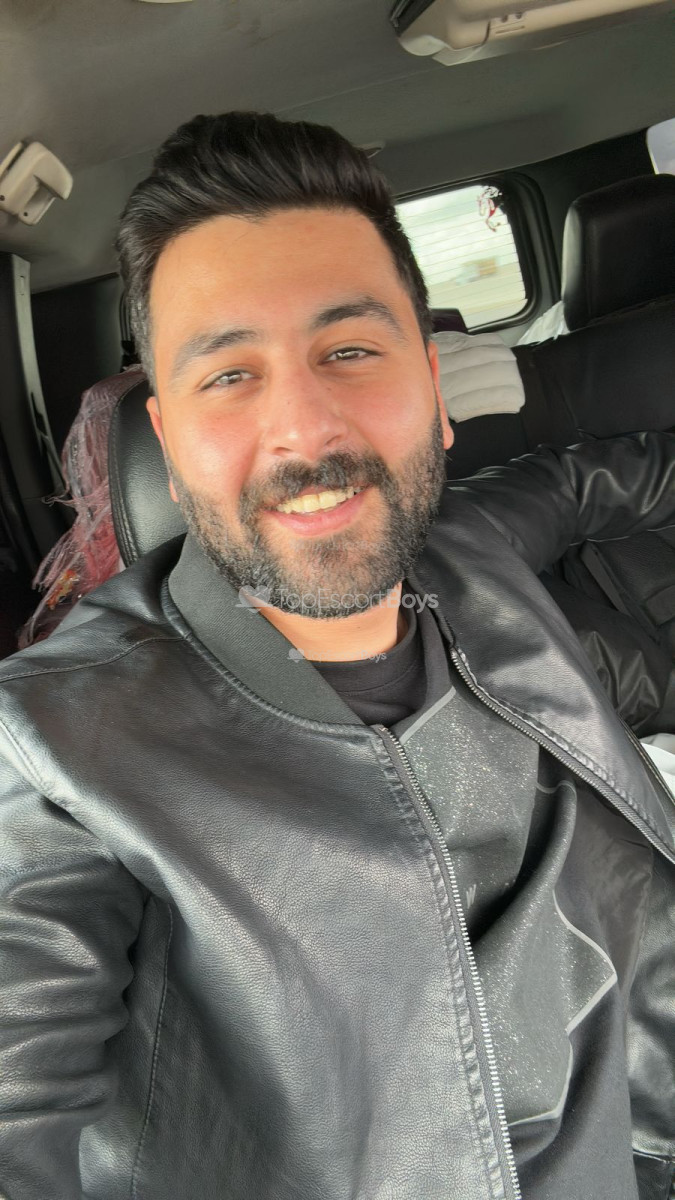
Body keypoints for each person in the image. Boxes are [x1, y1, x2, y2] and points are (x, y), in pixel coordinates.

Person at [0, 112, 673, 1200]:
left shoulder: (472, 548)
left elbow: (607, 475)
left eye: (350, 351)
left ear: (436, 394)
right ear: (169, 446)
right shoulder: (51, 751)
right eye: (229, 375)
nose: (304, 429)